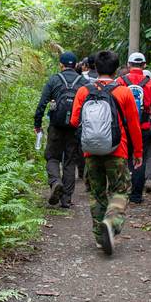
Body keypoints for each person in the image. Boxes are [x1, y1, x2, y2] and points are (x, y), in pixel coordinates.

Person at [70, 50, 143, 255]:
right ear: (115, 68)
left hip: (90, 154)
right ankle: (111, 222)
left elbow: (74, 121)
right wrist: (137, 152)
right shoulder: (124, 92)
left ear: (95, 67)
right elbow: (134, 125)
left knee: (96, 193)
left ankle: (100, 238)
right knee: (120, 190)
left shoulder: (84, 91)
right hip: (117, 151)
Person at [34, 51, 87, 208]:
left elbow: (42, 103)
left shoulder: (54, 80)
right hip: (75, 127)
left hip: (56, 126)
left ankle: (56, 182)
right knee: (70, 161)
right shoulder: (83, 82)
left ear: (61, 65)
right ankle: (66, 199)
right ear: (75, 65)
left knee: (52, 157)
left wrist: (37, 124)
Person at [117, 52, 151, 202]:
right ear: (144, 65)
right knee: (139, 158)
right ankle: (136, 195)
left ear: (129, 65)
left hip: (123, 127)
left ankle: (120, 191)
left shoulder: (120, 82)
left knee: (123, 157)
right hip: (143, 127)